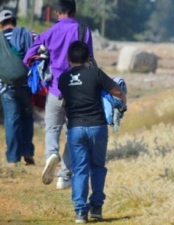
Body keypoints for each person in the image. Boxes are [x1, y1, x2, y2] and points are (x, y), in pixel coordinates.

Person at [24, 0, 94, 189]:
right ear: (74, 12)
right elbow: (90, 61)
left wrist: (45, 59)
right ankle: (64, 176)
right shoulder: (83, 31)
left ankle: (51, 156)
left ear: (55, 13)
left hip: (55, 90)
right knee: (74, 133)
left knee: (52, 129)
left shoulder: (48, 34)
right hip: (78, 93)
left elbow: (28, 58)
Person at [58, 41, 126, 223]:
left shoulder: (63, 79)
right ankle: (96, 207)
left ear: (68, 59)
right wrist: (123, 102)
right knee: (97, 167)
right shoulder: (96, 73)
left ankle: (80, 212)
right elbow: (117, 91)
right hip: (97, 127)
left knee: (80, 170)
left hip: (75, 128)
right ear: (88, 58)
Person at [0, 9, 37, 166]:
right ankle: (27, 153)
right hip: (26, 85)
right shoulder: (27, 36)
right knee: (27, 118)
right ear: (15, 21)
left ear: (0, 25)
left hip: (7, 88)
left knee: (12, 121)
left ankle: (13, 158)